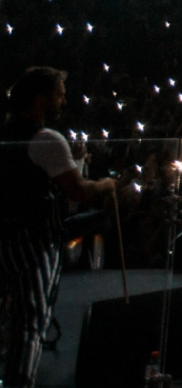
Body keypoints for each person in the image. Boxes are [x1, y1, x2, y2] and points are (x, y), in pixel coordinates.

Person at [0, 68, 117, 388]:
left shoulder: (8, 136)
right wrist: (106, 184)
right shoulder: (47, 139)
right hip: (34, 243)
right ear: (41, 99)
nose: (64, 100)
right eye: (59, 94)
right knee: (30, 322)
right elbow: (77, 191)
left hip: (6, 237)